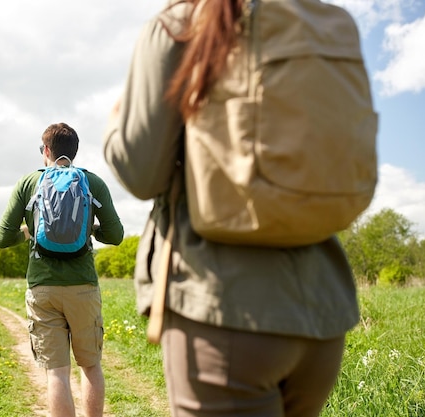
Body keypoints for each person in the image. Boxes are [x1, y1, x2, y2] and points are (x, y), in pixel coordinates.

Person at [103, 1, 360, 416]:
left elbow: (141, 171)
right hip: (323, 310)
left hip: (222, 312)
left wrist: (114, 123)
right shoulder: (319, 23)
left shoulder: (179, 25)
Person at [0, 122, 124, 417]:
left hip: (43, 288)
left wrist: (27, 233)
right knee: (90, 366)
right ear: (74, 152)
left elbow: (2, 238)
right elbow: (116, 235)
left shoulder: (28, 183)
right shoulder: (93, 182)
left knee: (57, 373)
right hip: (83, 287)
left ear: (47, 151)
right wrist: (90, 230)